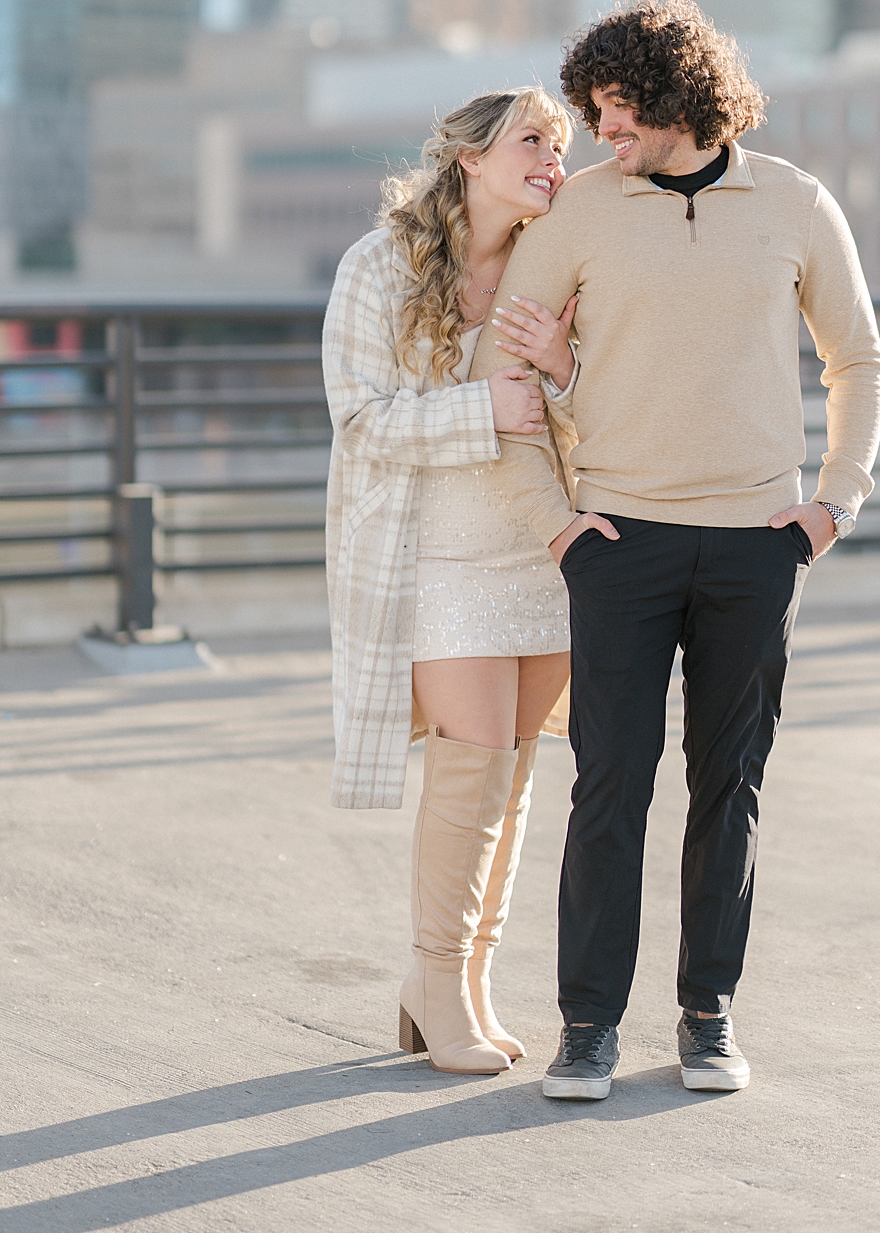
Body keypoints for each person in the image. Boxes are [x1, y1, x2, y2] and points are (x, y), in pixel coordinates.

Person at [472, 0, 880, 1099]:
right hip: (620, 542)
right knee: (609, 782)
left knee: (729, 785)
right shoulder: (584, 215)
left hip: (757, 544)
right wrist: (555, 526)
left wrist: (832, 506)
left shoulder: (795, 202)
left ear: (674, 99)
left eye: (615, 112)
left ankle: (707, 1014)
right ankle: (589, 1027)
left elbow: (859, 361)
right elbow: (505, 375)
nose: (598, 136)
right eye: (592, 113)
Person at [322, 86, 582, 1076]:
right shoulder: (378, 265)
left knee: (512, 780)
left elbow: (582, 399)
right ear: (469, 158)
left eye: (562, 147)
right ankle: (435, 976)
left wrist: (560, 374)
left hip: (536, 551)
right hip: (431, 560)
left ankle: (466, 982)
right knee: (471, 763)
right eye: (534, 141)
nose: (554, 162)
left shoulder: (551, 265)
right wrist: (484, 409)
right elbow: (362, 420)